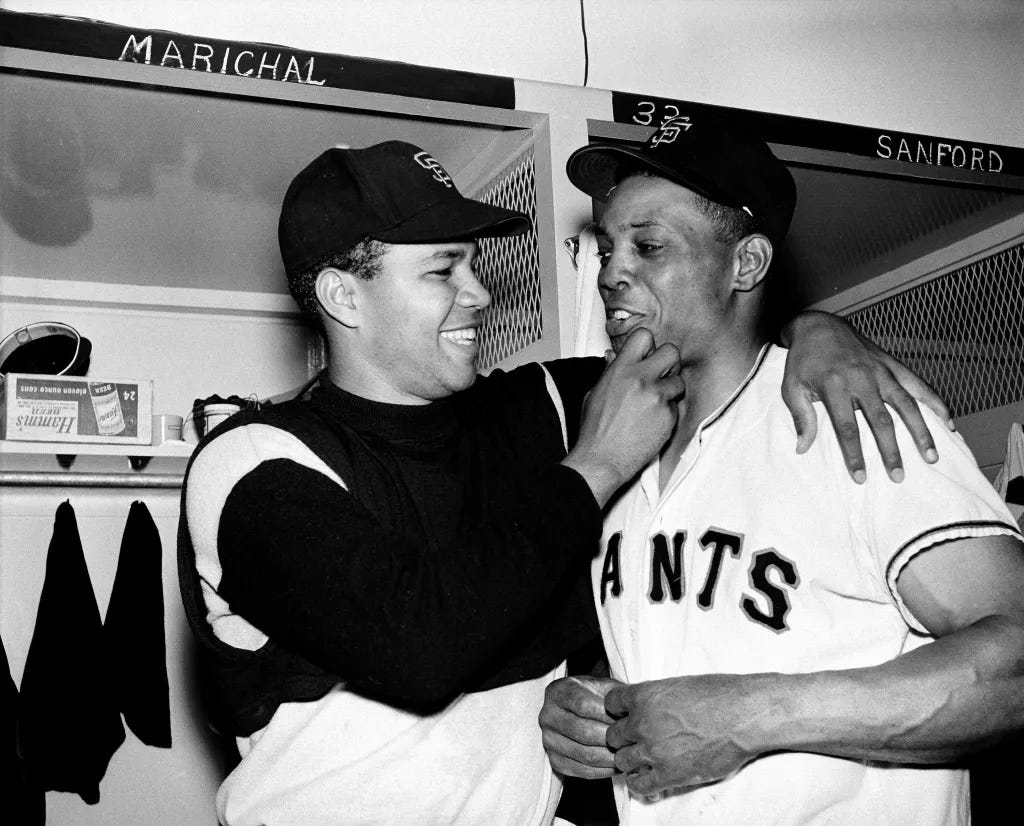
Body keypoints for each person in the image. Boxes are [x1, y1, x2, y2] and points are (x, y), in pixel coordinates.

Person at [178, 139, 947, 825]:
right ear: (345, 296)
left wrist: (817, 333)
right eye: (444, 268)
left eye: (474, 264)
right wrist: (596, 466)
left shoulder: (539, 407)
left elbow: (701, 332)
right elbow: (417, 646)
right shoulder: (252, 461)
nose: (478, 292)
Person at [538, 115, 1024, 825]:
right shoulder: (615, 442)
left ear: (746, 264)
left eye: (648, 246)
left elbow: (1015, 662)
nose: (612, 272)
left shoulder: (847, 413)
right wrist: (594, 710)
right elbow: (706, 659)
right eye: (608, 247)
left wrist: (749, 716)